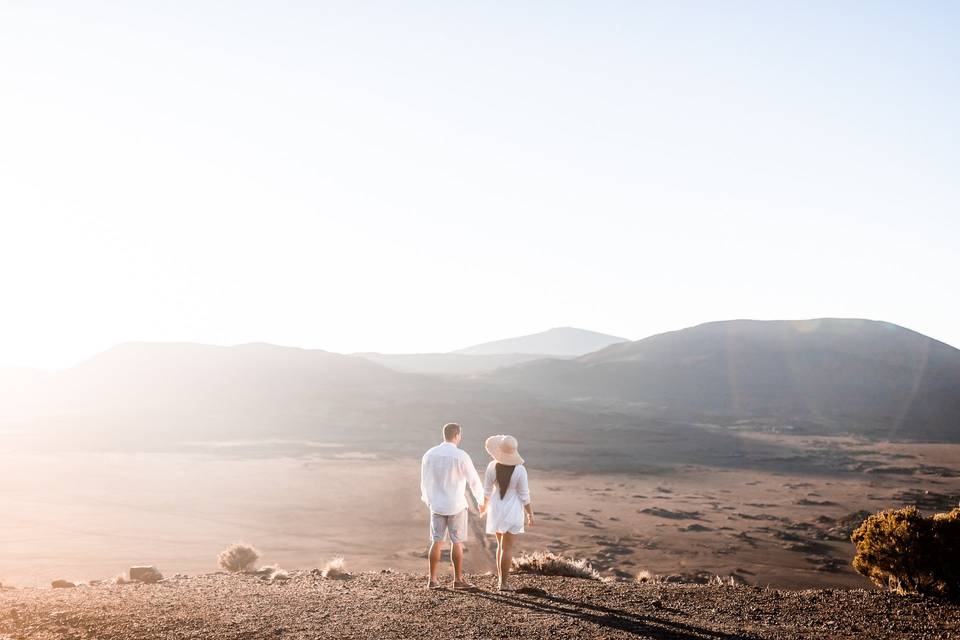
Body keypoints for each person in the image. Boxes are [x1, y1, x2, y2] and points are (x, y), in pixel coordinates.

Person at [419, 422, 484, 589]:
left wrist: (429, 500)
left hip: (437, 505)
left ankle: (432, 580)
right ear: (457, 436)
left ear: (444, 435)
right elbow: (474, 481)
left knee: (436, 541)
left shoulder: (429, 454)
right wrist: (481, 501)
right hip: (456, 505)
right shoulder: (461, 456)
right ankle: (458, 580)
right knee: (457, 542)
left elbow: (424, 482)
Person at [479, 434, 534, 592]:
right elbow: (524, 495)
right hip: (512, 509)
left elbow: (487, 491)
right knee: (507, 548)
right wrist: (530, 513)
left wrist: (484, 507)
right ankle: (503, 584)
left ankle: (500, 582)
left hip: (496, 508)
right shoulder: (520, 470)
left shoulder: (492, 466)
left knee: (500, 546)